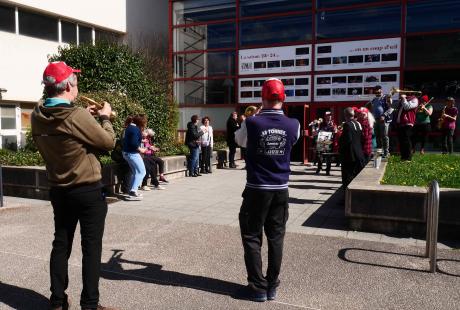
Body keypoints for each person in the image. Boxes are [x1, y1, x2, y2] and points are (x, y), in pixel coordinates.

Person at [31, 61, 117, 310]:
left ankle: (57, 301)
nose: (77, 85)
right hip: (87, 190)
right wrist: (103, 118)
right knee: (91, 249)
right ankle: (90, 305)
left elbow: (65, 130)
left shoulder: (38, 115)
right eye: (75, 81)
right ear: (68, 85)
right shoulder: (75, 115)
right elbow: (108, 142)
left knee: (61, 244)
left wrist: (85, 118)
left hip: (59, 189)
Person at [234, 78, 300, 302]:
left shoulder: (252, 122)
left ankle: (258, 287)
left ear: (262, 97)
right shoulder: (294, 124)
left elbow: (240, 141)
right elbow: (293, 142)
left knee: (252, 236)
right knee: (276, 237)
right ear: (283, 98)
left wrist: (252, 118)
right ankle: (272, 285)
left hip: (256, 188)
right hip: (281, 188)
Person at [339, 107, 365, 188]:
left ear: (345, 115)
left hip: (349, 155)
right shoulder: (358, 124)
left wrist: (340, 142)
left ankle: (346, 197)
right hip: (359, 154)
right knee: (356, 176)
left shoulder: (347, 125)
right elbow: (362, 138)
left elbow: (347, 140)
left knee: (347, 178)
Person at [122, 114, 147, 200]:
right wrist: (141, 150)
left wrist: (141, 140)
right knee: (142, 172)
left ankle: (131, 192)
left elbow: (130, 140)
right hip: (132, 153)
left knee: (135, 172)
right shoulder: (135, 129)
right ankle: (133, 191)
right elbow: (133, 143)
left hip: (126, 153)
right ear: (141, 122)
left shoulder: (130, 127)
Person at [366, 85, 394, 158]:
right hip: (376, 120)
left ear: (381, 90)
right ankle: (379, 152)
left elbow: (391, 108)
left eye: (377, 90)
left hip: (384, 120)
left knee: (384, 136)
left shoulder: (386, 97)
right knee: (377, 136)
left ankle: (386, 152)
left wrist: (384, 115)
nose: (376, 92)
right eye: (375, 90)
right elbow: (370, 108)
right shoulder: (374, 99)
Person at [395, 92, 419, 161]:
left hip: (408, 123)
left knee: (406, 140)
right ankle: (403, 157)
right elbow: (395, 108)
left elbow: (407, 107)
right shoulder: (403, 99)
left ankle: (408, 158)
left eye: (406, 91)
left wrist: (404, 98)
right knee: (401, 141)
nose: (405, 93)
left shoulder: (415, 99)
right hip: (400, 123)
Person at [315, 111, 337, 175]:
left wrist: (335, 130)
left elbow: (335, 133)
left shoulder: (333, 124)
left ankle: (328, 170)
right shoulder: (322, 124)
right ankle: (319, 168)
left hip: (329, 142)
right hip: (322, 140)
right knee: (320, 156)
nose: (329, 117)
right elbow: (318, 131)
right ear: (325, 117)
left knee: (328, 157)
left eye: (330, 115)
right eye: (328, 115)